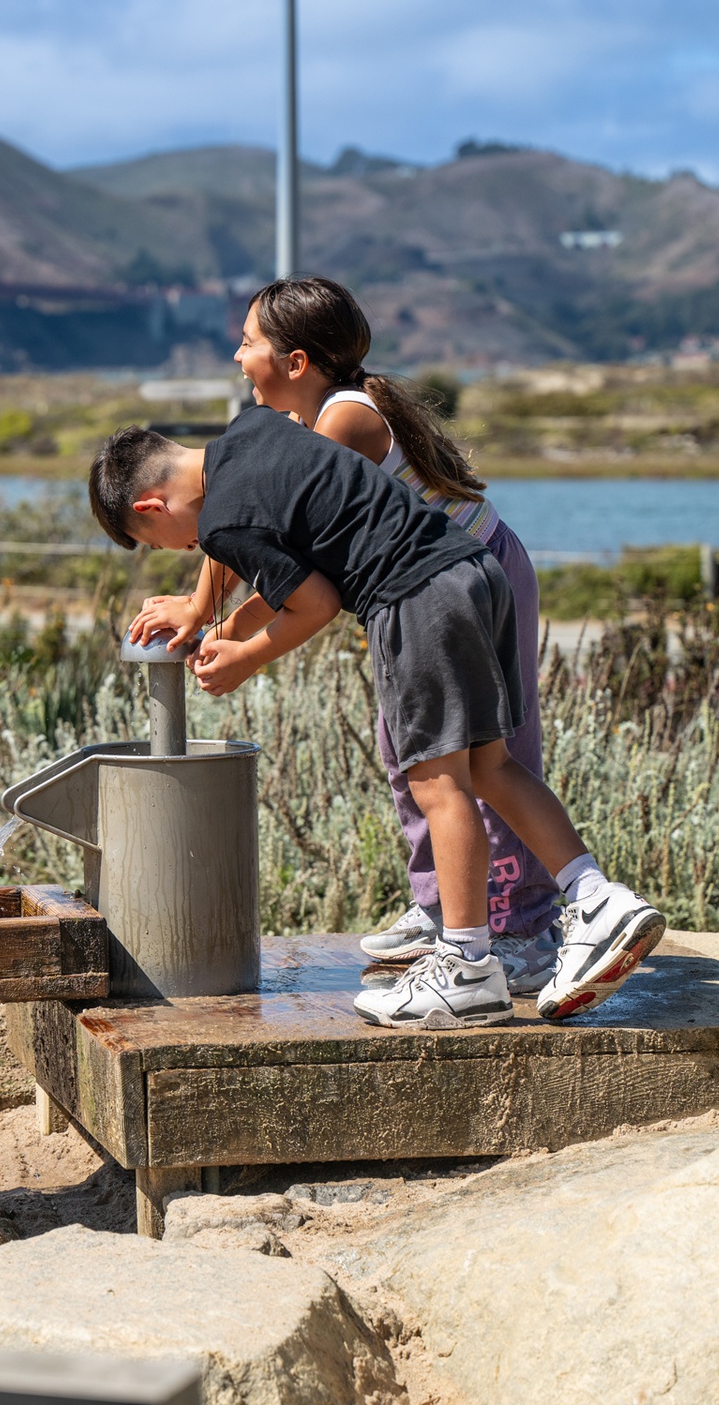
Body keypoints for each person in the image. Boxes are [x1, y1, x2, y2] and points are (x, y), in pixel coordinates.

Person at [89, 415, 664, 1027]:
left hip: (412, 600)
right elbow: (286, 555)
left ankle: (467, 967)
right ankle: (596, 898)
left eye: (166, 543)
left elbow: (316, 602)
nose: (190, 550)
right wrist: (209, 613)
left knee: (438, 787)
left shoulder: (224, 521)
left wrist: (242, 659)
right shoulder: (252, 431)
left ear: (153, 504)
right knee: (493, 767)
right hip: (473, 571)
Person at [129, 277, 561, 995]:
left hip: (472, 576)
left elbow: (287, 553)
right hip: (422, 595)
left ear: (296, 361)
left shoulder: (343, 422)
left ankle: (523, 929)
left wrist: (234, 636)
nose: (237, 357)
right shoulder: (299, 423)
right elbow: (242, 513)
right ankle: (444, 908)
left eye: (247, 342)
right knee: (409, 752)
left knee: (493, 753)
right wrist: (199, 607)